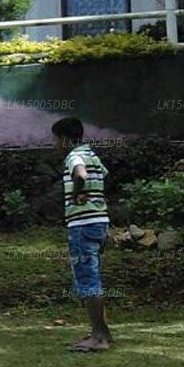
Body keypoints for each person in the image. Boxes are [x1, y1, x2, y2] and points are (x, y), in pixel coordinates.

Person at [52, 117, 114, 352]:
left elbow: (80, 175)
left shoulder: (75, 156)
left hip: (83, 224)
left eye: (55, 139)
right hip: (99, 221)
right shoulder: (92, 154)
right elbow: (102, 176)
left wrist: (78, 195)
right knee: (93, 276)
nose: (54, 144)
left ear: (65, 140)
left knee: (87, 278)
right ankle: (103, 332)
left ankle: (98, 337)